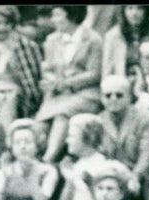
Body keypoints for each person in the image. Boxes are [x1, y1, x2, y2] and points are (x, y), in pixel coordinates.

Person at [35, 6, 102, 164]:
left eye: (58, 15)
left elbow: (94, 73)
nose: (54, 20)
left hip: (85, 94)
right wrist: (51, 80)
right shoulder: (51, 40)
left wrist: (66, 83)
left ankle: (48, 159)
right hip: (58, 95)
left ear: (72, 15)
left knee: (62, 116)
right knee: (39, 124)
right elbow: (48, 69)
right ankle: (33, 160)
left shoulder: (93, 39)